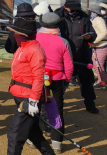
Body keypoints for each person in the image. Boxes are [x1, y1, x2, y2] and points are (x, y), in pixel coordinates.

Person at [6, 11, 54, 155]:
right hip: (21, 95)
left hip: (28, 98)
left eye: (16, 32)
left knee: (14, 135)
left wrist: (33, 100)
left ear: (23, 35)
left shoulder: (34, 50)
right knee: (33, 134)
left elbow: (39, 77)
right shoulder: (23, 46)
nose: (13, 35)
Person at [35, 12, 73, 154]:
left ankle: (32, 138)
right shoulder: (63, 41)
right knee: (57, 111)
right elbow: (69, 66)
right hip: (57, 79)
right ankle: (57, 143)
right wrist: (67, 80)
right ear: (58, 25)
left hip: (37, 77)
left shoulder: (35, 38)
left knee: (34, 108)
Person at [54, 0, 98, 113]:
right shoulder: (58, 17)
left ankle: (90, 103)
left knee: (86, 81)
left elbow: (93, 34)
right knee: (60, 83)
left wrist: (90, 37)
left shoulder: (84, 17)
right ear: (65, 7)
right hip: (63, 55)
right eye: (72, 9)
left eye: (77, 9)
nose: (75, 11)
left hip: (82, 54)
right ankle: (56, 106)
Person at [87, 5, 107, 89]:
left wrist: (94, 41)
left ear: (94, 12)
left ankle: (101, 82)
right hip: (98, 45)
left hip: (102, 45)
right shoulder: (95, 20)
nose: (90, 13)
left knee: (98, 65)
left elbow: (104, 32)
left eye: (91, 11)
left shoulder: (98, 20)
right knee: (97, 64)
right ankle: (105, 81)